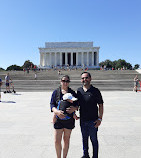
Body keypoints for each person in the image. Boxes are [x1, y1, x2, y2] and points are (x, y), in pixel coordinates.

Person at [50, 75, 78, 158]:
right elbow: (52, 104)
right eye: (63, 81)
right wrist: (56, 111)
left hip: (69, 120)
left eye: (67, 81)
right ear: (60, 81)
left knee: (66, 140)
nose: (65, 83)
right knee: (57, 141)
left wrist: (74, 108)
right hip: (58, 119)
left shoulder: (72, 93)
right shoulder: (56, 92)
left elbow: (77, 104)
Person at [77, 72, 104, 158]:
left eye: (86, 78)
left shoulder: (95, 91)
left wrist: (100, 118)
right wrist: (73, 113)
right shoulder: (79, 91)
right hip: (83, 120)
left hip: (93, 120)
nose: (84, 80)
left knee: (94, 140)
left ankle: (95, 156)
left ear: (90, 78)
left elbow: (100, 105)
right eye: (83, 78)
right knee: (84, 139)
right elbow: (76, 104)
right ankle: (85, 155)